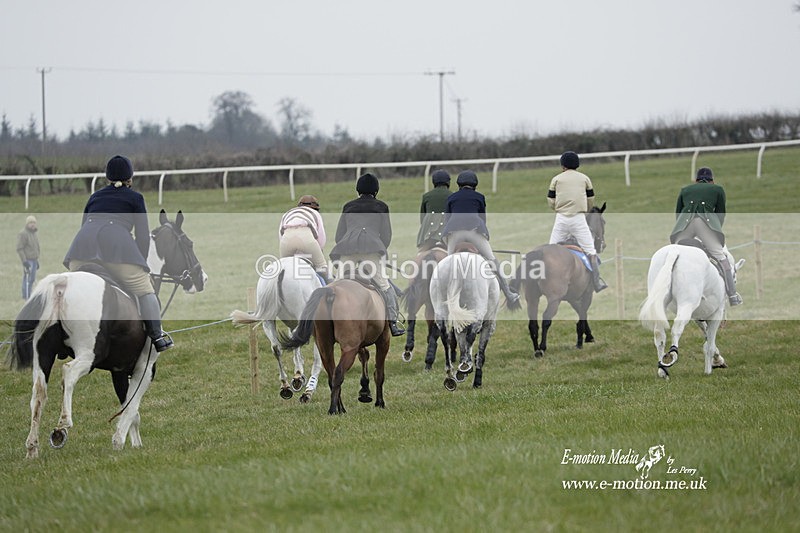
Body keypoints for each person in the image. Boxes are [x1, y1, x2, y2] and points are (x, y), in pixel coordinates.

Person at [63, 155, 173, 352]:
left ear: (107, 177)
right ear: (130, 177)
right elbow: (142, 237)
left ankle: (59, 331)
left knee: (68, 289)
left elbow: (84, 226)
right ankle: (157, 336)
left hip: (81, 250)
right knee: (145, 289)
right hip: (117, 252)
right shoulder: (135, 198)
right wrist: (141, 263)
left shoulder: (94, 197)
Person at [329, 172, 404, 336]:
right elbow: (386, 235)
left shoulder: (348, 206)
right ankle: (393, 323)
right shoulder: (381, 206)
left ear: (358, 190)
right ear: (376, 190)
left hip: (347, 249)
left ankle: (326, 319)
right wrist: (379, 251)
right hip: (372, 249)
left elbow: (338, 236)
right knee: (384, 285)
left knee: (337, 284)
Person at [441, 169, 520, 306]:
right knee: (491, 259)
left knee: (447, 262)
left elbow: (447, 219)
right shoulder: (479, 197)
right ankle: (508, 293)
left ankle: (441, 293)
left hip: (454, 233)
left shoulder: (451, 198)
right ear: (475, 184)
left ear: (458, 184)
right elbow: (482, 219)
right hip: (474, 231)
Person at [670, 167, 742, 306]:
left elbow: (678, 214)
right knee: (722, 258)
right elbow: (721, 214)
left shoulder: (685, 190)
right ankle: (733, 295)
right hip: (705, 226)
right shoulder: (718, 190)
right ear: (712, 181)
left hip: (685, 226)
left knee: (673, 256)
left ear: (696, 181)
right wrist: (715, 230)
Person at [547, 151, 608, 292]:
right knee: (591, 251)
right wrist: (586, 209)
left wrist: (557, 208)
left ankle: (546, 280)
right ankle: (597, 282)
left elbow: (550, 200)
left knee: (550, 250)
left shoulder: (556, 179)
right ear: (577, 165)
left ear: (563, 166)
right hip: (578, 219)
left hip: (561, 219)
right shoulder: (585, 179)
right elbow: (590, 199)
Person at [278, 194, 330, 282]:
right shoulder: (315, 213)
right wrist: (317, 251)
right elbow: (321, 239)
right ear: (315, 207)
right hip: (306, 238)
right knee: (322, 267)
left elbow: (281, 235)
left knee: (284, 269)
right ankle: (333, 291)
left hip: (286, 240)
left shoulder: (288, 213)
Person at [416, 169, 451, 251]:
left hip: (428, 234)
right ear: (448, 182)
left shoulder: (426, 196)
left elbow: (423, 219)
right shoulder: (452, 196)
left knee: (421, 253)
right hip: (447, 234)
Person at [16, 215, 41, 300]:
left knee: (32, 279)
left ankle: (29, 293)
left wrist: (36, 260)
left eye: (34, 222)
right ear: (27, 224)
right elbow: (19, 248)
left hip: (34, 260)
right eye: (31, 223)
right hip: (28, 260)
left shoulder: (34, 233)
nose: (33, 224)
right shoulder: (23, 234)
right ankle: (26, 295)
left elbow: (35, 247)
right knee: (27, 278)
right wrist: (24, 261)